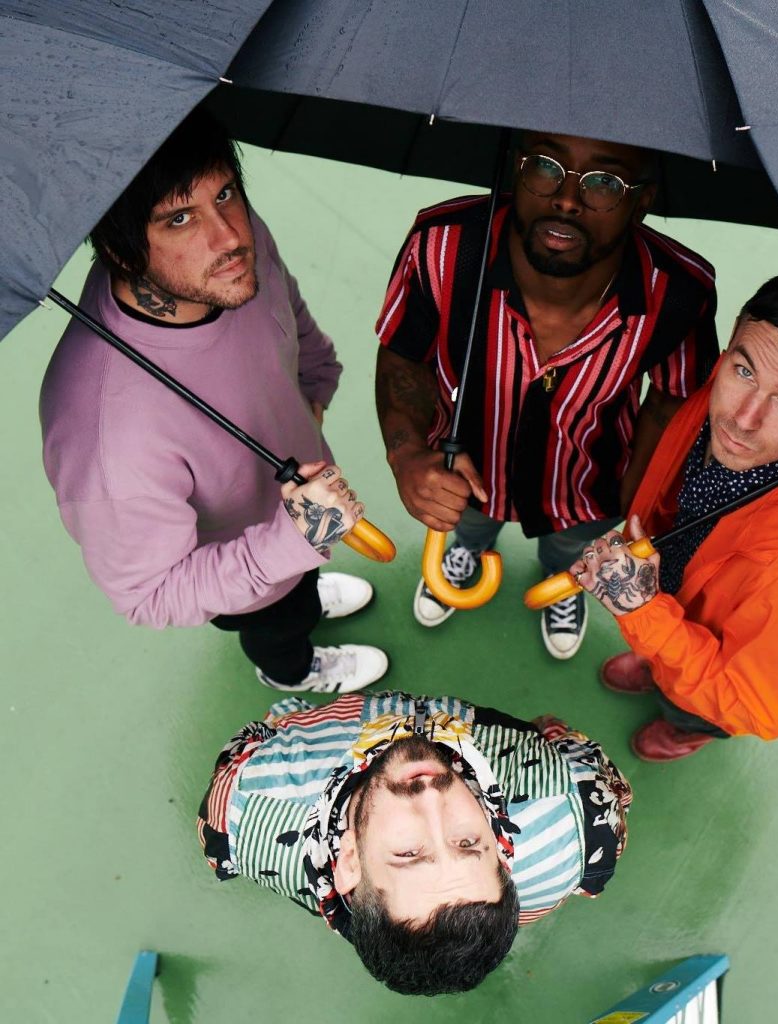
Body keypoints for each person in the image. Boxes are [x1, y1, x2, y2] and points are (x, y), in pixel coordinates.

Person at [40, 110, 387, 693]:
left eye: (224, 193)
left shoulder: (225, 258)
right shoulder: (105, 434)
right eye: (179, 218)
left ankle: (302, 588)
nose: (229, 236)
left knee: (299, 586)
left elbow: (285, 308)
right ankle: (291, 670)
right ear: (119, 250)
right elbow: (150, 594)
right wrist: (288, 546)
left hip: (300, 513)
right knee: (279, 624)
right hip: (248, 577)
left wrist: (315, 381)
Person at [375, 131, 718, 660]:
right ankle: (468, 551)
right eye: (545, 166)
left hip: (587, 481)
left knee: (570, 547)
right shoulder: (442, 245)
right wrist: (407, 454)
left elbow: (672, 399)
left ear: (642, 201)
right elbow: (403, 354)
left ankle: (562, 575)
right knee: (466, 521)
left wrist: (635, 505)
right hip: (463, 465)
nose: (566, 199)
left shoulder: (679, 291)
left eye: (605, 182)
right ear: (514, 166)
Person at [569, 271, 778, 761]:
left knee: (689, 705)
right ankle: (659, 668)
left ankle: (684, 729)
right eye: (744, 371)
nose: (742, 419)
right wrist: (651, 618)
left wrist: (644, 615)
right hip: (675, 594)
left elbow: (755, 706)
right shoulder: (729, 386)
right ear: (732, 345)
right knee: (663, 658)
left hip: (713, 681)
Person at [197, 689, 632, 995]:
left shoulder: (245, 808)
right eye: (467, 842)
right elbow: (572, 748)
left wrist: (290, 720)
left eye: (409, 853)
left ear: (348, 861)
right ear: (502, 852)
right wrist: (548, 732)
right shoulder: (578, 813)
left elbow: (258, 737)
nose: (431, 799)